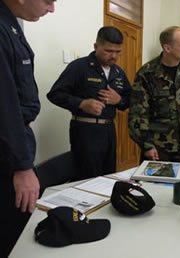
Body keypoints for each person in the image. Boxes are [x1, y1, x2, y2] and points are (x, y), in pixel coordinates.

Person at [0, 0, 55, 256]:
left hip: (15, 142)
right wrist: (22, 167)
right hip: (8, 154)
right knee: (13, 232)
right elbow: (5, 106)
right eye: (48, 1)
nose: (51, 8)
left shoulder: (11, 25)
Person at [47, 26, 132, 180]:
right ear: (96, 46)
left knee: (109, 176)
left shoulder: (118, 72)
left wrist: (119, 100)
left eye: (118, 52)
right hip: (85, 130)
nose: (114, 56)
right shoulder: (79, 67)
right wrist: (81, 103)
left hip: (109, 130)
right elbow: (55, 94)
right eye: (108, 51)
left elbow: (130, 100)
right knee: (86, 178)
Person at [129, 26, 180, 163]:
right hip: (158, 148)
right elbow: (137, 115)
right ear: (168, 48)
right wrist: (146, 145)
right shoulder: (147, 74)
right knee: (154, 184)